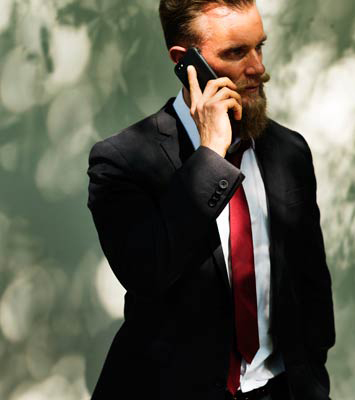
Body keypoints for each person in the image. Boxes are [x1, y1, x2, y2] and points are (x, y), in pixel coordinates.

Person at [86, 1, 335, 399]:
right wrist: (210, 156)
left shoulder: (290, 151)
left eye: (259, 47)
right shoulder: (121, 161)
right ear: (185, 62)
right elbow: (148, 274)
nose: (258, 68)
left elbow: (311, 284)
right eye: (236, 52)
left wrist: (311, 377)